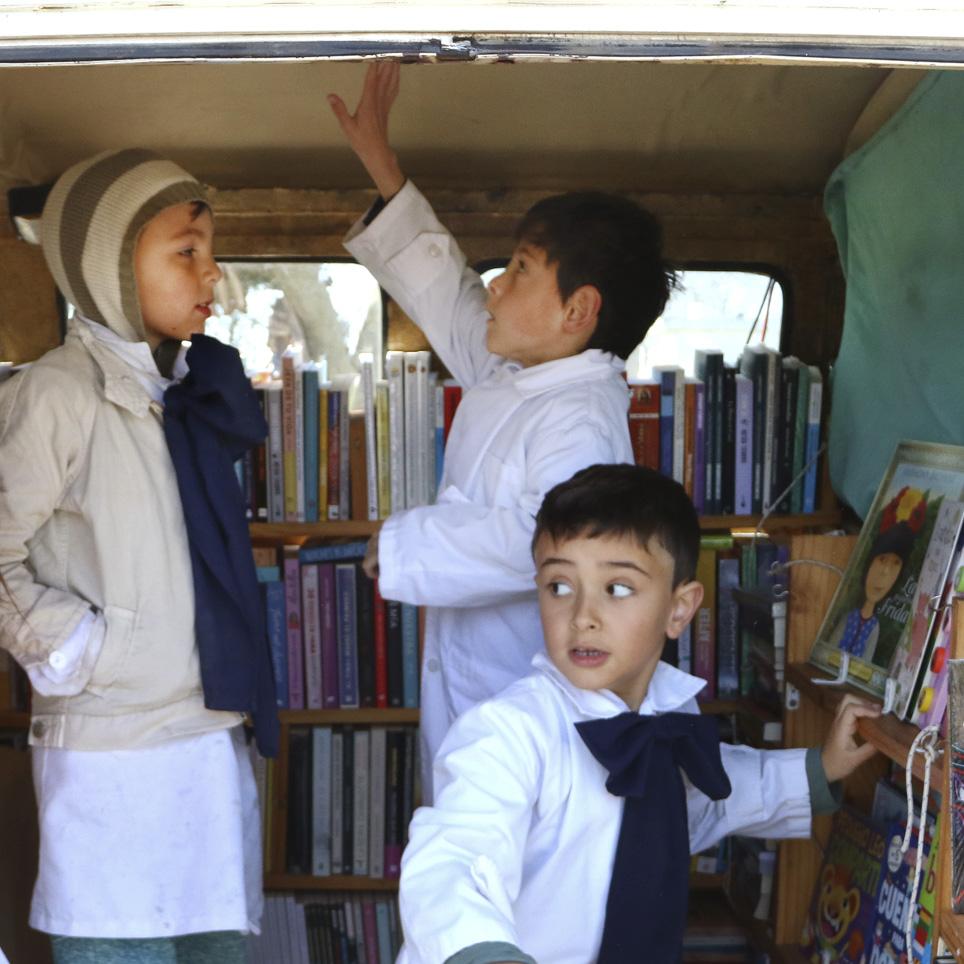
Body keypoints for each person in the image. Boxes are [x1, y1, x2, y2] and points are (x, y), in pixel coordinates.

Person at [329, 63, 675, 799]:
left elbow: (539, 542)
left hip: (523, 706)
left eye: (519, 270)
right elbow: (444, 289)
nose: (494, 284)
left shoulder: (581, 419)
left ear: (577, 311)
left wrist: (394, 546)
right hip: (475, 697)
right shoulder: (514, 369)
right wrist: (381, 166)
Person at [397, 463, 881, 964]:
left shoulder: (672, 712)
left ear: (679, 609)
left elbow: (708, 796)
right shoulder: (506, 732)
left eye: (618, 588)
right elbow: (453, 858)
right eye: (559, 586)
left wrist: (819, 769)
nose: (582, 615)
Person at [0, 149, 276, 963]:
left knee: (215, 948)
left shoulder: (186, 389)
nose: (211, 271)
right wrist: (79, 645)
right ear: (108, 263)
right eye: (185, 250)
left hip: (207, 734)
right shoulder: (56, 393)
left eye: (209, 249)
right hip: (111, 747)